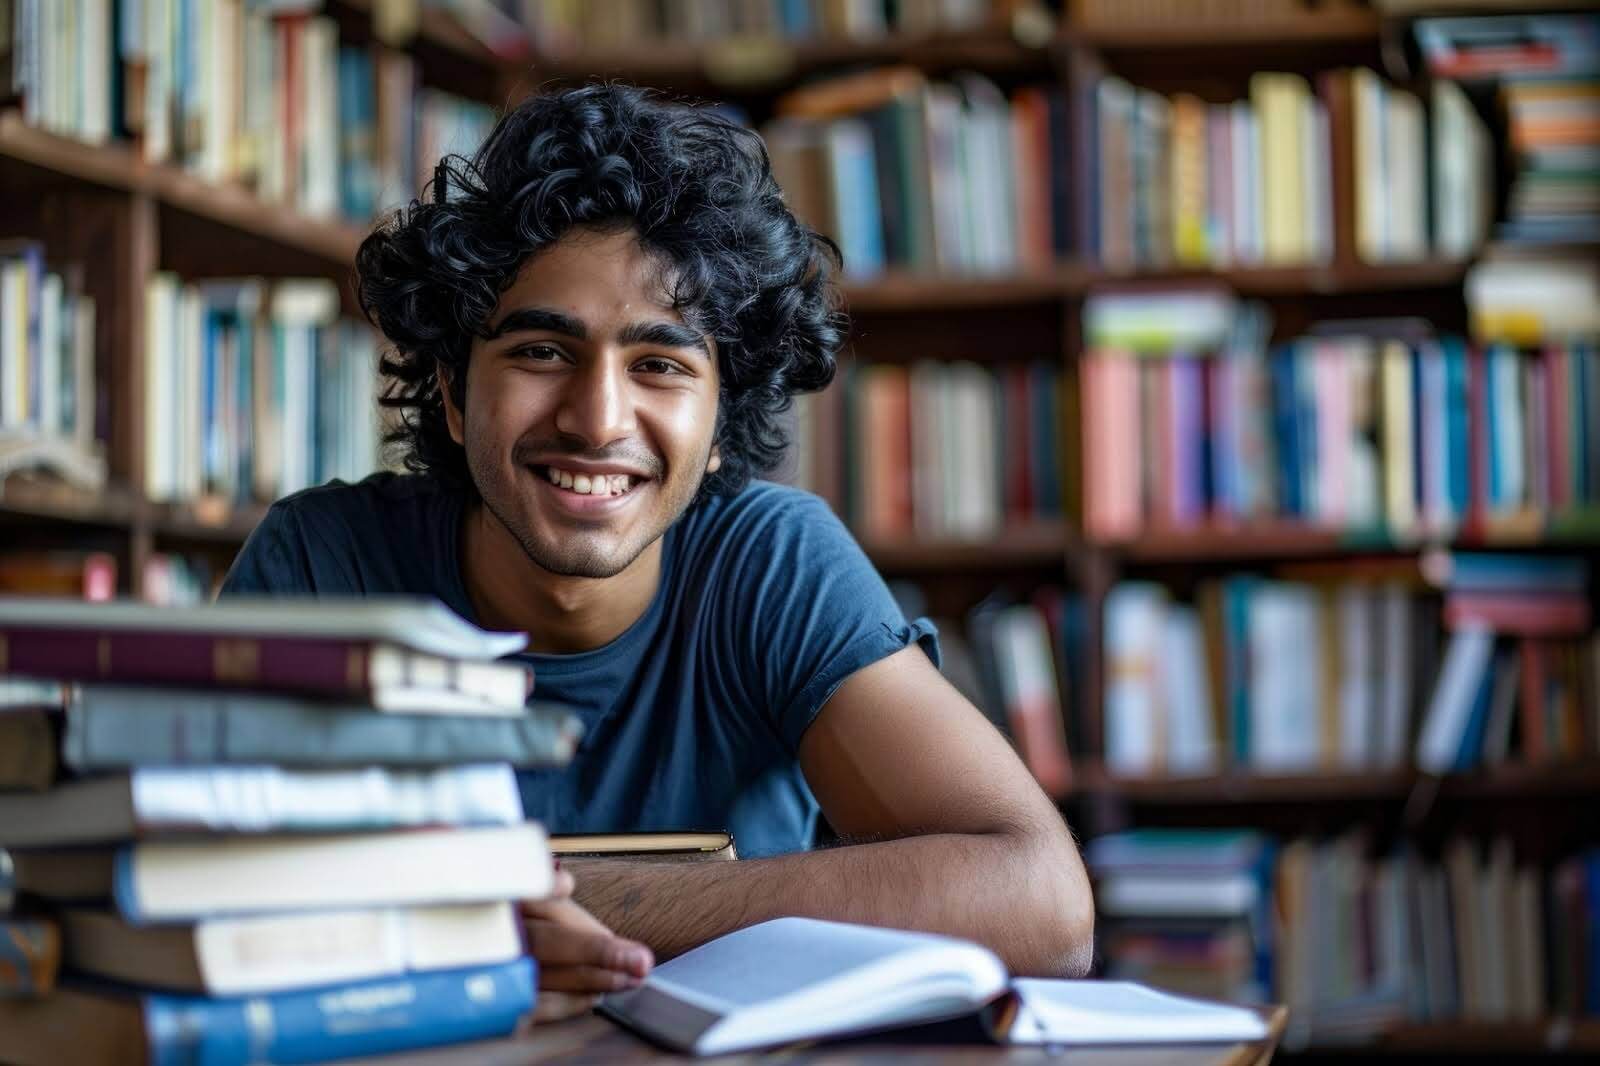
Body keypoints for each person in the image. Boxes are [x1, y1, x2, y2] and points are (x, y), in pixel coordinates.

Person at [221, 83, 1094, 1019]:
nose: (598, 420)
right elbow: (195, 891)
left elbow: (1042, 905)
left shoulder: (768, 563)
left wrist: (540, 907)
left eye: (661, 365)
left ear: (721, 422)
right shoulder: (326, 565)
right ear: (452, 392)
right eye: (541, 353)